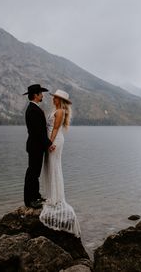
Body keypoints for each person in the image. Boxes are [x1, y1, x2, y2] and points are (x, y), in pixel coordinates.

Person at [39, 89, 81, 237]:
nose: (53, 99)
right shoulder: (55, 110)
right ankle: (52, 195)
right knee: (50, 166)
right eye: (54, 97)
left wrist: (49, 143)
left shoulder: (60, 111)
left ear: (60, 100)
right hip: (51, 139)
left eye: (56, 98)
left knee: (54, 166)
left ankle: (56, 198)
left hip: (55, 140)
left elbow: (55, 128)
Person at [23, 84, 55, 209]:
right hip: (35, 146)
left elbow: (39, 131)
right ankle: (30, 200)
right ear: (36, 95)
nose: (42, 95)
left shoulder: (33, 108)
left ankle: (35, 196)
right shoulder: (32, 110)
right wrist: (48, 144)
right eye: (41, 93)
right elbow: (38, 131)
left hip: (36, 146)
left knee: (34, 173)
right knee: (32, 173)